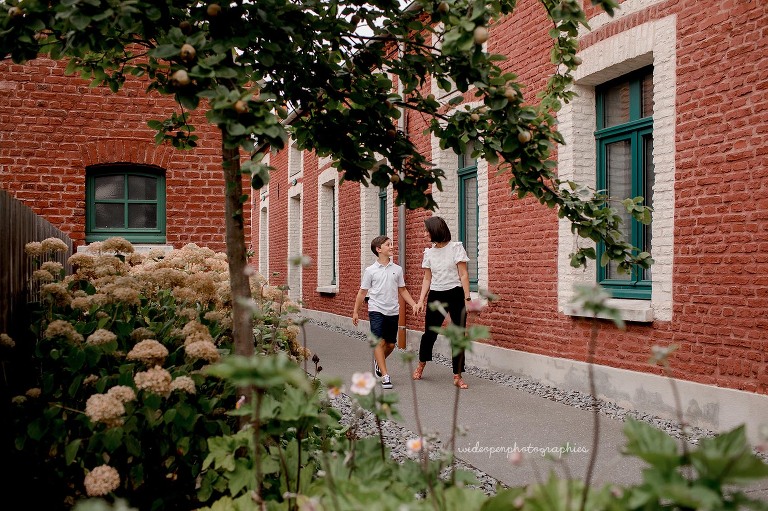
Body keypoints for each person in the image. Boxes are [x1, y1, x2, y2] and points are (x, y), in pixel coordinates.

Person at [353, 235, 418, 389]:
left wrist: (413, 304)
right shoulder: (370, 271)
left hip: (393, 311)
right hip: (376, 310)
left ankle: (378, 361)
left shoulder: (397, 269)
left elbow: (402, 290)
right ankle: (385, 375)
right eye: (388, 245)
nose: (391, 247)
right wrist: (356, 312)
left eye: (391, 244)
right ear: (379, 249)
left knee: (390, 344)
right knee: (378, 341)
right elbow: (362, 292)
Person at [414, 216, 471, 389]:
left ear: (436, 230)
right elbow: (427, 278)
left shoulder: (456, 248)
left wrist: (467, 298)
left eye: (427, 231)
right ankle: (421, 363)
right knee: (429, 333)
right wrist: (421, 300)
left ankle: (457, 375)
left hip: (455, 293)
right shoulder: (429, 253)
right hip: (436, 295)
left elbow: (463, 274)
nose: (424, 234)